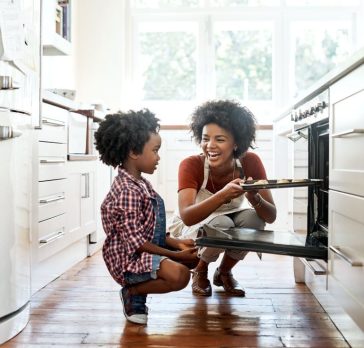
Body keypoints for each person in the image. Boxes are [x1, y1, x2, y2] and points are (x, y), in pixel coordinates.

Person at [94, 109, 198, 325]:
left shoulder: (140, 183)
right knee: (180, 275)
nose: (158, 157)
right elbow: (138, 243)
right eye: (155, 150)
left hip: (141, 252)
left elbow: (148, 230)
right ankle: (132, 293)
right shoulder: (127, 191)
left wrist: (176, 243)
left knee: (193, 259)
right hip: (127, 261)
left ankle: (138, 293)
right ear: (133, 151)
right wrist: (177, 256)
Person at [168, 100, 276, 297]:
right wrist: (223, 194)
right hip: (194, 222)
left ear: (236, 143)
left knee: (254, 218)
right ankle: (200, 271)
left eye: (220, 139)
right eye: (205, 138)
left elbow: (270, 216)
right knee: (221, 221)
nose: (210, 146)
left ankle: (224, 272)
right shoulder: (191, 164)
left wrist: (254, 197)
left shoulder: (250, 161)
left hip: (230, 215)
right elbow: (187, 216)